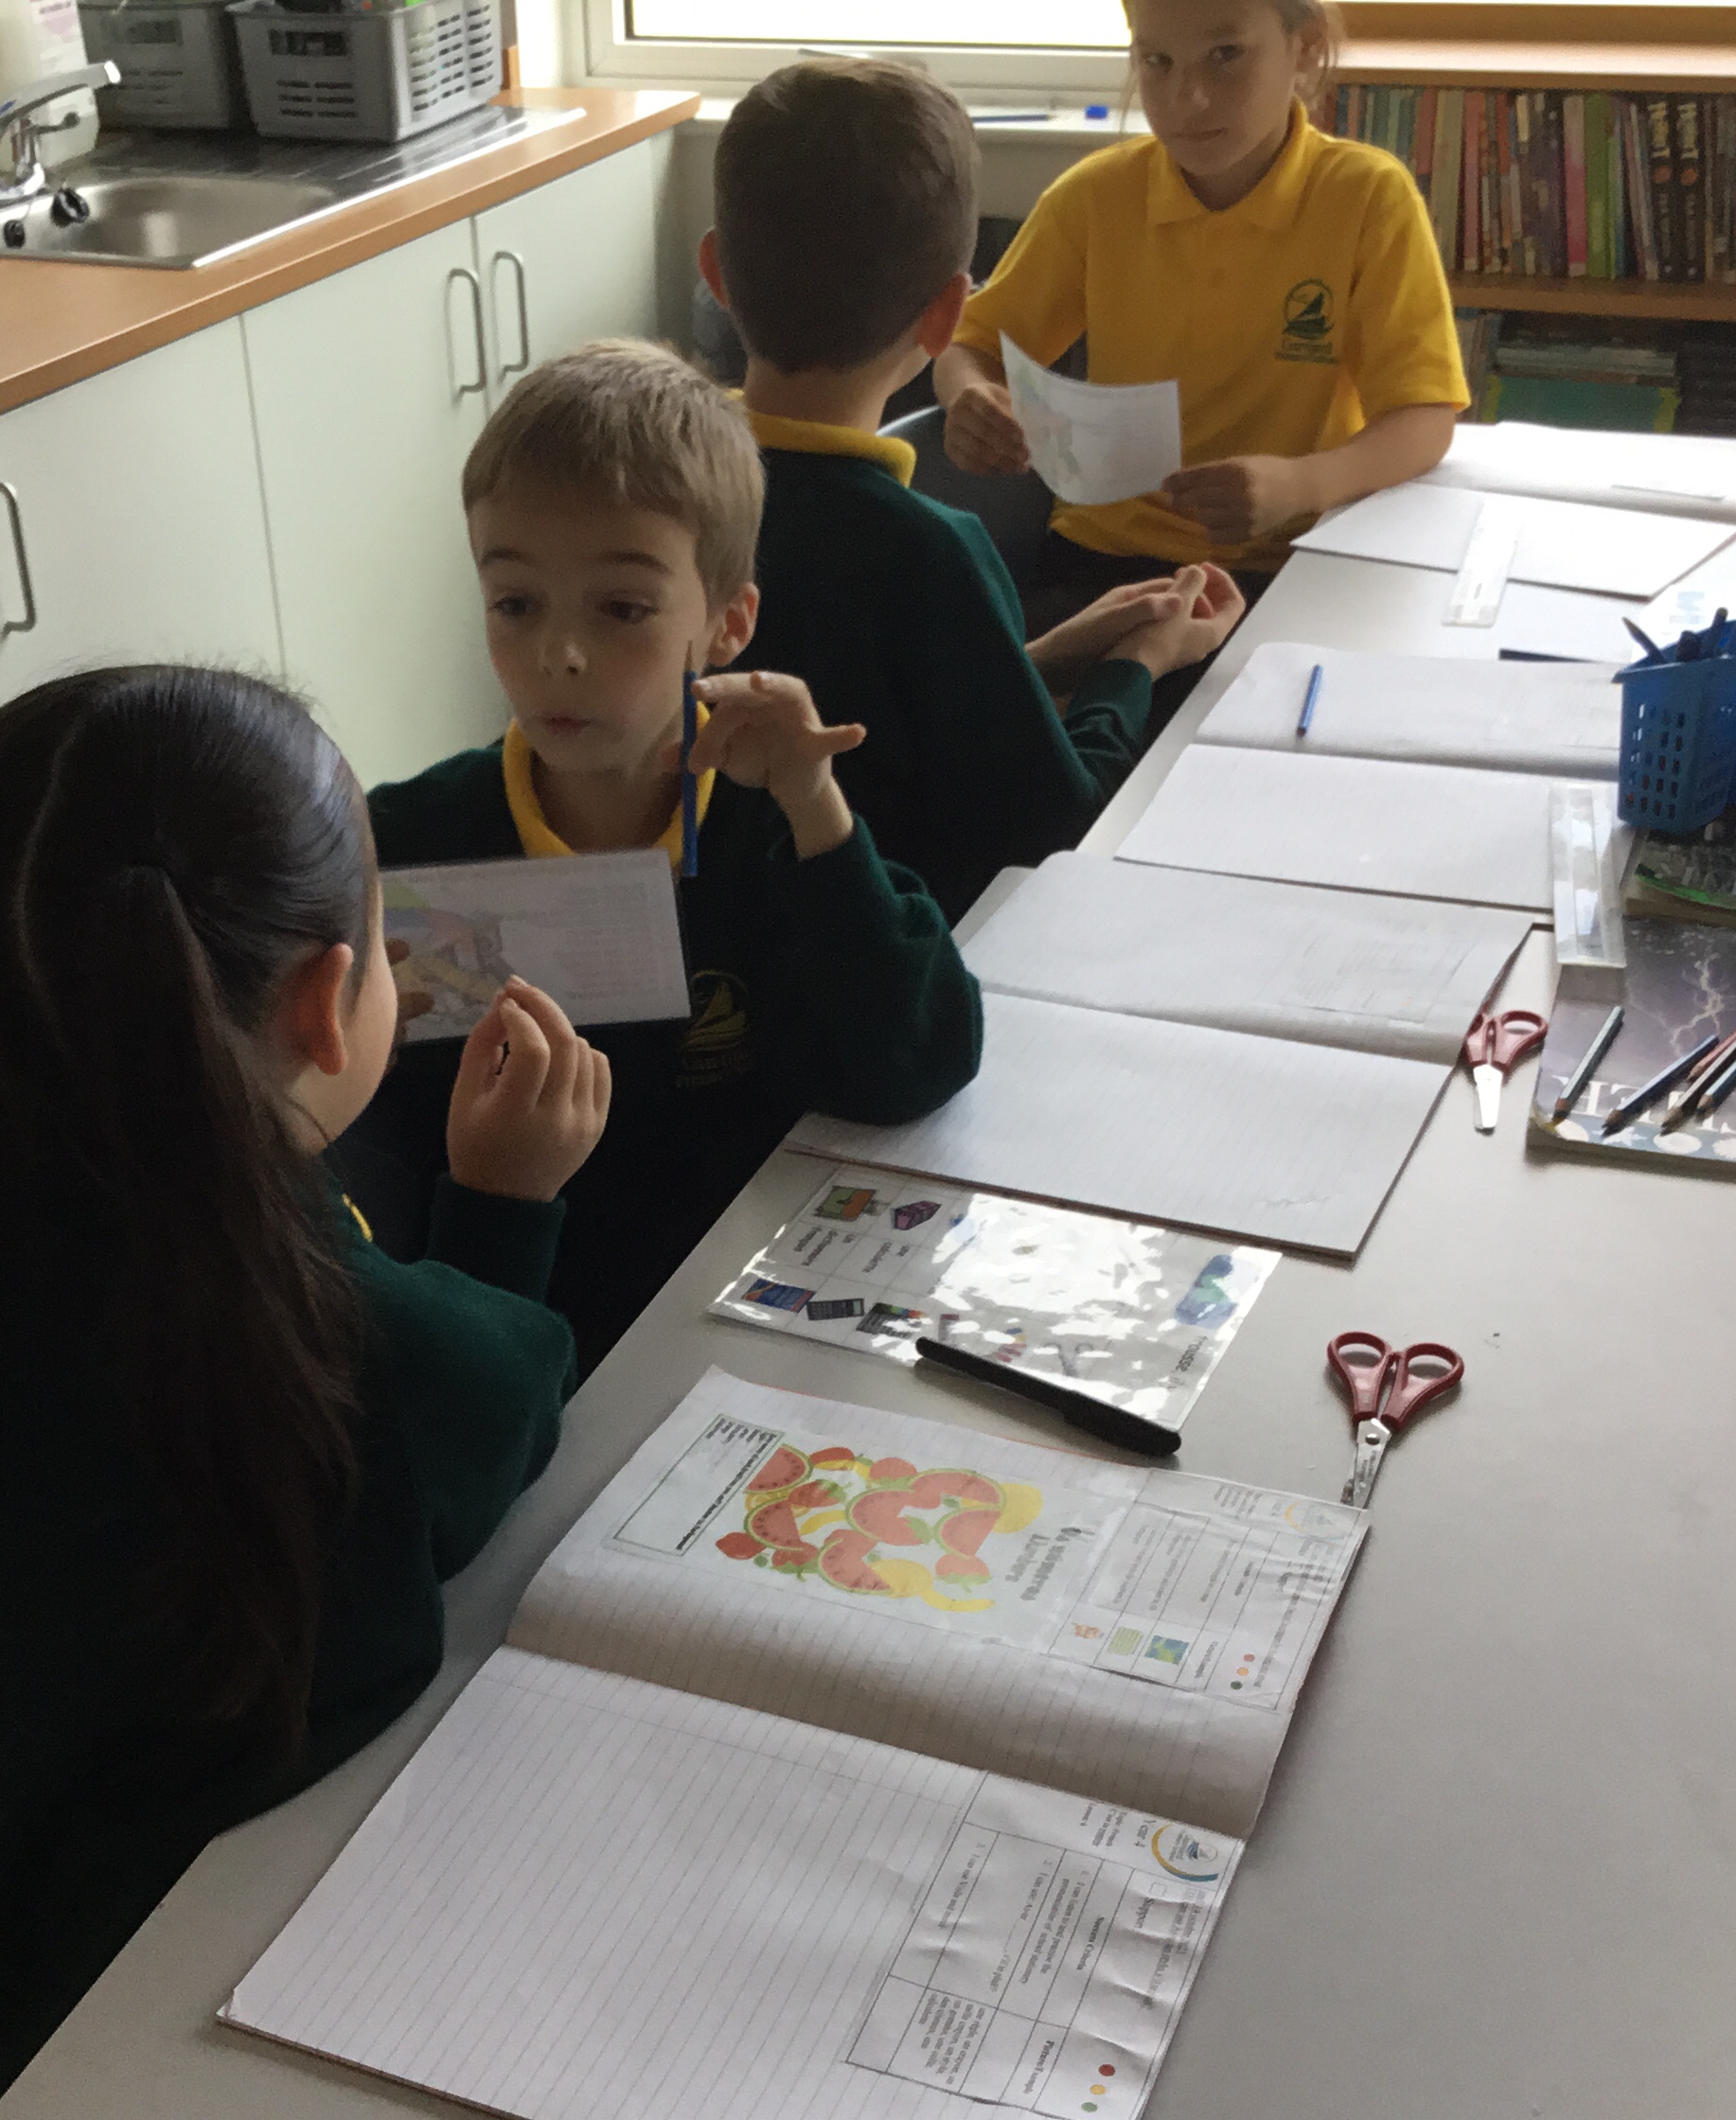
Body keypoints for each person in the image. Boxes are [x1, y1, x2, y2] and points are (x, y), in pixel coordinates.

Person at [0, 665, 608, 2120]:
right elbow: (505, 1418)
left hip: (27, 1985)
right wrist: (504, 1207)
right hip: (232, 2052)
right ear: (322, 1003)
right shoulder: (358, 1345)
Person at [348, 341, 983, 1368]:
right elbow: (361, 1163)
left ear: (727, 625)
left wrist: (818, 811)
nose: (558, 653)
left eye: (623, 609)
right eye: (515, 602)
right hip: (513, 1338)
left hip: (746, 1326)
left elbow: (916, 1064)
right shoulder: (408, 847)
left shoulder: (776, 827)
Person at [706, 54, 1246, 920]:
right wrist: (1135, 666)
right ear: (948, 314)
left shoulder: (659, 494)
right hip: (902, 949)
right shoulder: (926, 550)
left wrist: (1047, 654)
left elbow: (866, 715)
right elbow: (1054, 827)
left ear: (716, 275)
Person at [933, 0, 1468, 630]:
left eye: (1225, 55)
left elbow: (1423, 419)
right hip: (1102, 559)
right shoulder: (1096, 196)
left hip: (1291, 560)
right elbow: (967, 345)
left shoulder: (1367, 197)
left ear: (1305, 48)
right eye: (1157, 61)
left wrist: (1299, 486)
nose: (1187, 99)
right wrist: (969, 396)